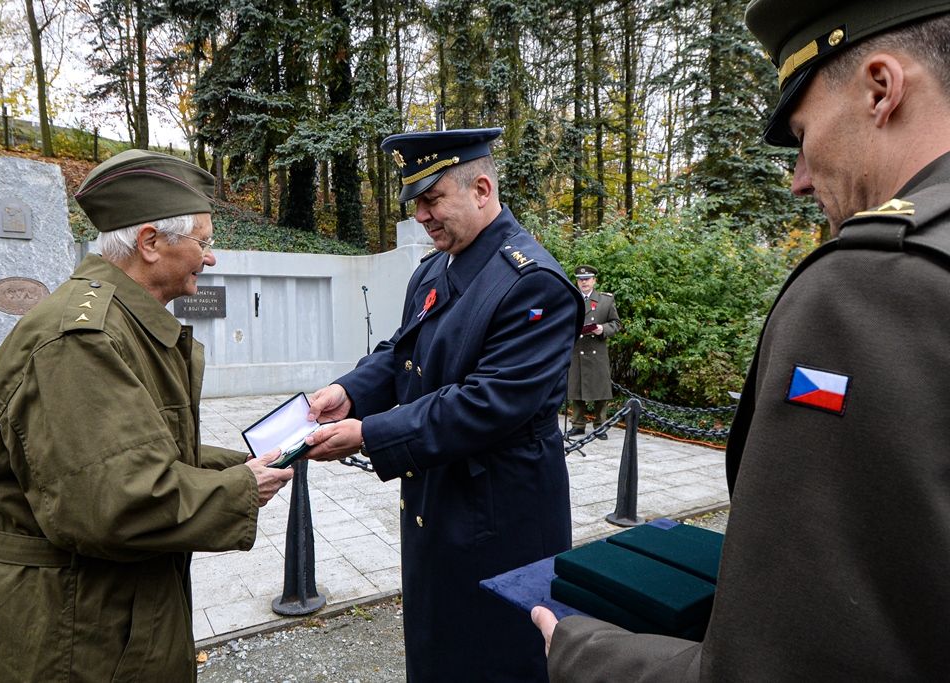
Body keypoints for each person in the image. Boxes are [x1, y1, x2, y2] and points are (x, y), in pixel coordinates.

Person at [532, 0, 950, 679]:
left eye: (804, 132)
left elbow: (790, 665)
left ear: (881, 88)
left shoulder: (872, 284)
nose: (799, 178)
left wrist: (582, 651)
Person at [0, 149, 294, 682]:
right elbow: (116, 501)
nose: (211, 257)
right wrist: (242, 488)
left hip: (99, 615)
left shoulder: (118, 322)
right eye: (203, 242)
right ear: (151, 243)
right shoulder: (80, 340)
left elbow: (136, 451)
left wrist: (244, 462)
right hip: (67, 632)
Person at [302, 128, 584, 681]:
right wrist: (351, 390)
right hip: (437, 498)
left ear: (481, 189)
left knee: (493, 655)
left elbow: (486, 403)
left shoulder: (535, 284)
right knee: (435, 645)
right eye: (416, 204)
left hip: (499, 518)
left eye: (433, 200)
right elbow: (401, 351)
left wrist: (371, 433)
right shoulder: (436, 266)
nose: (422, 217)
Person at [566, 265, 621, 439]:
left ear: (594, 280)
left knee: (600, 392)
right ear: (577, 281)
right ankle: (578, 424)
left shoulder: (605, 301)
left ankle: (600, 425)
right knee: (577, 389)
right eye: (581, 280)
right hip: (577, 350)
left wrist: (602, 328)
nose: (584, 282)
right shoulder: (570, 299)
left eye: (587, 279)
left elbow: (616, 324)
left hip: (597, 350)